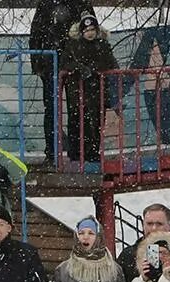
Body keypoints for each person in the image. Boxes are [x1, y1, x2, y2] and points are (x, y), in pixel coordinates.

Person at [30, 0, 97, 152]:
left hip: (75, 64)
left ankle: (77, 151)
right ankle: (53, 151)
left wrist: (89, 61)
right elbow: (36, 33)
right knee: (53, 110)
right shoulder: (46, 4)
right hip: (51, 64)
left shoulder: (81, 3)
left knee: (78, 108)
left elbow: (92, 29)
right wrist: (37, 64)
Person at [58, 13, 118, 163]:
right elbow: (65, 63)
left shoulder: (102, 45)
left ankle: (92, 152)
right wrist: (79, 69)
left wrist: (94, 69)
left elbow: (111, 63)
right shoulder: (73, 46)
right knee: (77, 121)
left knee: (96, 122)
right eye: (86, 30)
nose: (90, 33)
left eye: (92, 29)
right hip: (78, 92)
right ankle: (76, 153)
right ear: (81, 32)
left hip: (97, 91)